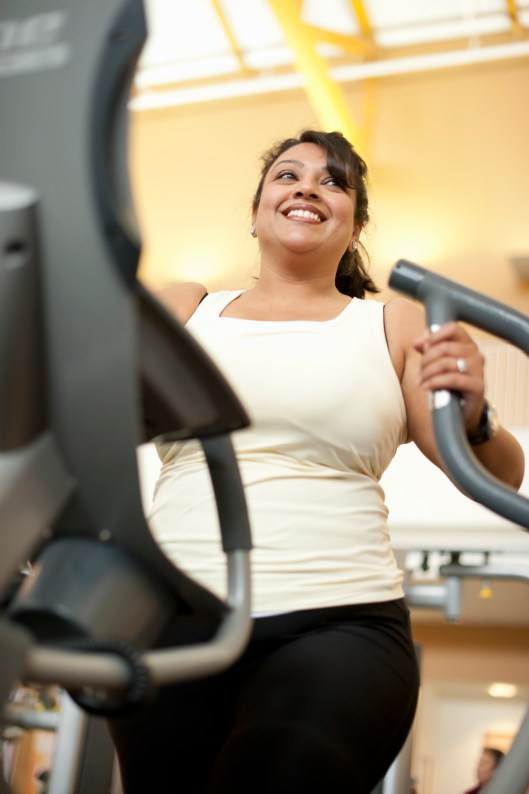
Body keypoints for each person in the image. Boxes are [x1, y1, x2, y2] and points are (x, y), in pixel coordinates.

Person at [109, 129, 525, 793]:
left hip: (338, 617)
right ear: (254, 214)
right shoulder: (187, 307)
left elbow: (497, 475)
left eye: (333, 181)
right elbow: (96, 422)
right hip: (176, 616)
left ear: (353, 225)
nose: (307, 186)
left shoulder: (391, 324)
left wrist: (474, 413)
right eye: (287, 175)